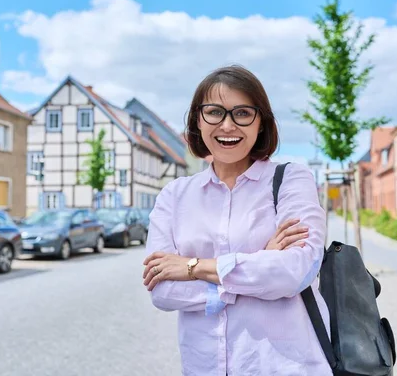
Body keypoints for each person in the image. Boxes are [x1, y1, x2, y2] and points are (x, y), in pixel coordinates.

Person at [142, 65, 332, 375]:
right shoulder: (174, 196)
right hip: (204, 366)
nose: (228, 125)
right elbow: (162, 291)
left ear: (261, 123)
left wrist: (194, 267)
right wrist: (260, 263)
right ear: (197, 121)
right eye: (214, 112)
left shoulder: (290, 180)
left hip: (284, 365)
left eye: (242, 113)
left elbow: (297, 271)